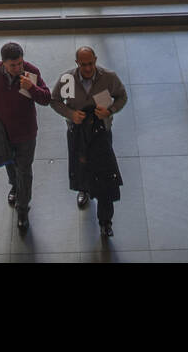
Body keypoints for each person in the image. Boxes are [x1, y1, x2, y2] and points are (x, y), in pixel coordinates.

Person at [49, 46, 128, 238]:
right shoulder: (67, 79)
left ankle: (105, 221)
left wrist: (110, 111)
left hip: (101, 133)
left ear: (96, 60)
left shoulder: (108, 77)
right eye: (83, 65)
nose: (87, 68)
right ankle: (83, 189)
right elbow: (54, 100)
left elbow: (122, 97)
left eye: (90, 63)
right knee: (80, 165)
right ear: (77, 63)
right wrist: (71, 114)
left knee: (106, 177)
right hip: (77, 133)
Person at [0, 42, 51, 234]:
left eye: (20, 64)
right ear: (3, 64)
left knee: (24, 170)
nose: (18, 69)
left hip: (25, 133)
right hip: (2, 132)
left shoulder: (31, 72)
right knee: (8, 163)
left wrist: (31, 88)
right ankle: (14, 187)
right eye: (13, 66)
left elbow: (46, 98)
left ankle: (23, 210)